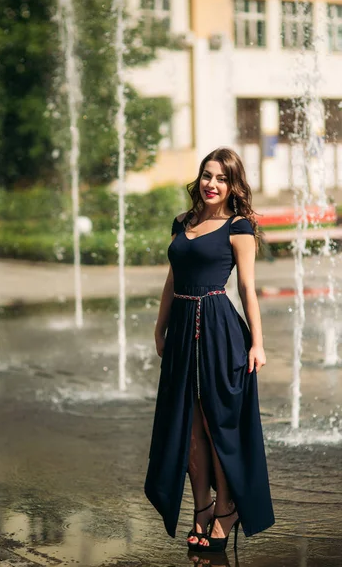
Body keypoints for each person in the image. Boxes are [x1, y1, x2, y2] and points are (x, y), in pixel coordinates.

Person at [144, 147, 274, 552]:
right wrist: (159, 327)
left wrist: (258, 342)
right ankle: (201, 508)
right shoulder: (182, 222)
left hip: (219, 329)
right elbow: (171, 280)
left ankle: (227, 508)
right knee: (189, 427)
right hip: (182, 328)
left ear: (233, 185)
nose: (211, 184)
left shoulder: (240, 227)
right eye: (206, 175)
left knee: (217, 425)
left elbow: (248, 289)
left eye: (221, 178)